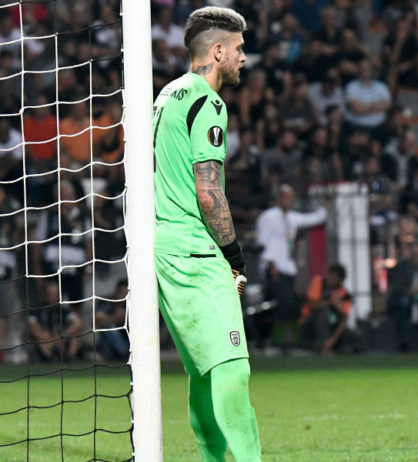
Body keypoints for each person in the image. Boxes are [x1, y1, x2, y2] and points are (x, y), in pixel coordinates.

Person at [152, 7, 261, 462]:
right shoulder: (207, 102)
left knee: (203, 368)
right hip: (196, 250)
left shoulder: (166, 95)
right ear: (217, 51)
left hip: (163, 247)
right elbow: (209, 193)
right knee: (232, 366)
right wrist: (234, 256)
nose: (243, 58)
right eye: (238, 49)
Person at [256, 184, 327, 346]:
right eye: (287, 198)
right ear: (279, 198)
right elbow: (263, 243)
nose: (289, 201)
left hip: (288, 268)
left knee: (287, 305)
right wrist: (271, 264)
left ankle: (282, 339)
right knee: (278, 304)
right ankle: (273, 340)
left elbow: (313, 218)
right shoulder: (268, 217)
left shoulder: (291, 218)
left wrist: (325, 206)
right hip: (274, 268)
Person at [300, 263, 352, 353]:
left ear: (340, 280)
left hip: (331, 325)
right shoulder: (319, 282)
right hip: (310, 323)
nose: (329, 278)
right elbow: (311, 304)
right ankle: (321, 346)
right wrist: (331, 303)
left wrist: (332, 340)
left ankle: (333, 346)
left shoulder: (345, 296)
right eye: (329, 275)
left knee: (349, 333)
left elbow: (344, 318)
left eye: (333, 277)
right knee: (323, 312)